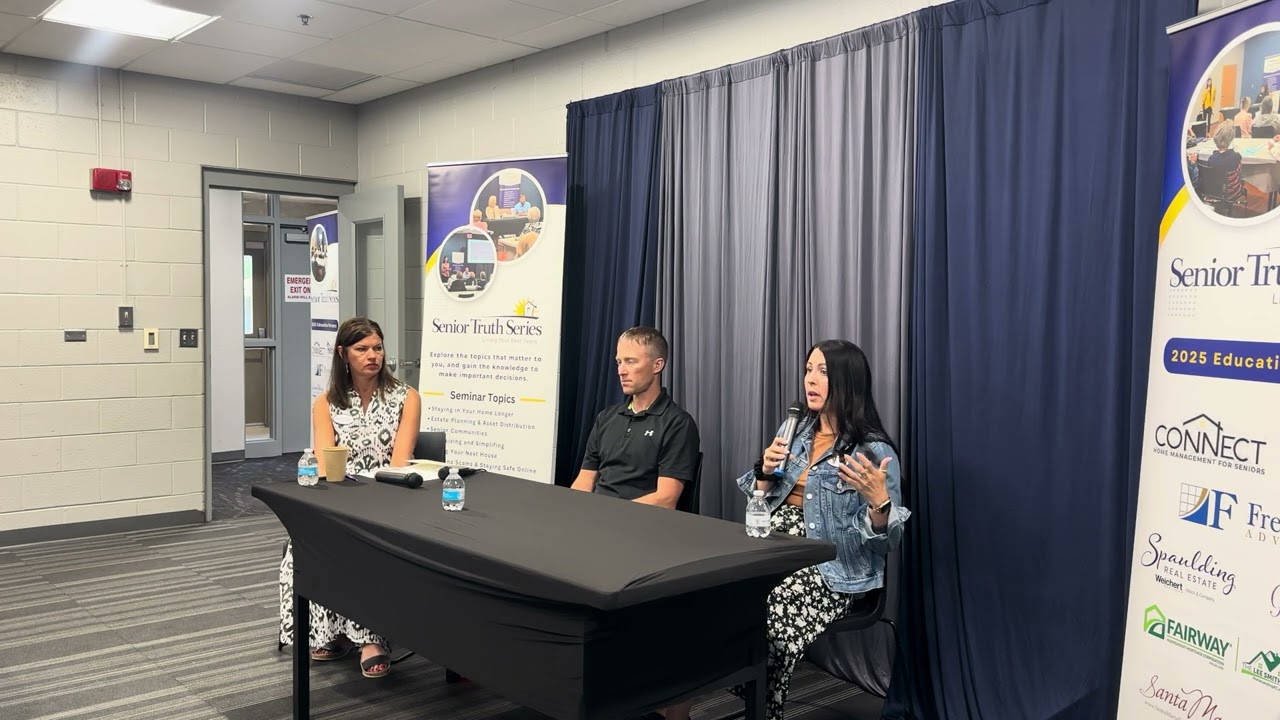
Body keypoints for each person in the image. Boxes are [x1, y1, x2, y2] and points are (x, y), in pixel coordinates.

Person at [734, 340, 909, 720]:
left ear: (847, 382)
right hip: (771, 544)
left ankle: (764, 710)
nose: (810, 380)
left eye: (823, 372)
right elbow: (761, 499)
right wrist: (764, 470)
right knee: (717, 594)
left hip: (830, 565)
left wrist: (880, 504)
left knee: (770, 614)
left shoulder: (874, 452)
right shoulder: (793, 429)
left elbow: (888, 541)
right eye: (808, 369)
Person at [278, 317, 421, 680]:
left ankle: (372, 639)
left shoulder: (407, 397)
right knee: (307, 542)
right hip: (341, 495)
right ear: (343, 354)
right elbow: (327, 462)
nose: (372, 356)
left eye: (377, 348)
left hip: (389, 498)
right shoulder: (326, 402)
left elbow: (401, 462)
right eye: (362, 349)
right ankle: (330, 632)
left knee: (366, 544)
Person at [570, 326, 700, 720]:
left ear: (657, 365)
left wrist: (605, 519)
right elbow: (583, 482)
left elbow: (666, 498)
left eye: (631, 361)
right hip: (599, 532)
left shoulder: (677, 424)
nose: (621, 371)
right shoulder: (607, 418)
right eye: (617, 362)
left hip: (644, 536)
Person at [1204, 120, 1245, 210]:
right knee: (1241, 178)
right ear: (1231, 138)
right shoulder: (1236, 157)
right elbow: (1239, 172)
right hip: (1231, 193)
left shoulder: (1212, 158)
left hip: (1214, 193)